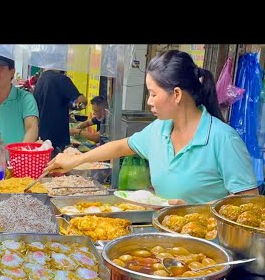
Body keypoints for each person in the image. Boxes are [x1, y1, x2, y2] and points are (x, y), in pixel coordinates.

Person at [45, 50, 258, 204]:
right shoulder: (159, 129)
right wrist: (75, 161)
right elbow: (120, 147)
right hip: (166, 246)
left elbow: (249, 203)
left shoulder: (222, 138)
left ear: (176, 94)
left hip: (210, 259)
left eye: (153, 94)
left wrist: (198, 211)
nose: (149, 101)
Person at [0, 53, 39, 144]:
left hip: (17, 156)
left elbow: (31, 128)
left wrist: (19, 154)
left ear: (12, 71)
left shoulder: (25, 99)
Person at [34, 68, 87, 154]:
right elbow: (80, 101)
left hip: (40, 133)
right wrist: (82, 104)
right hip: (56, 136)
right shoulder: (61, 79)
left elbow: (53, 101)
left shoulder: (41, 79)